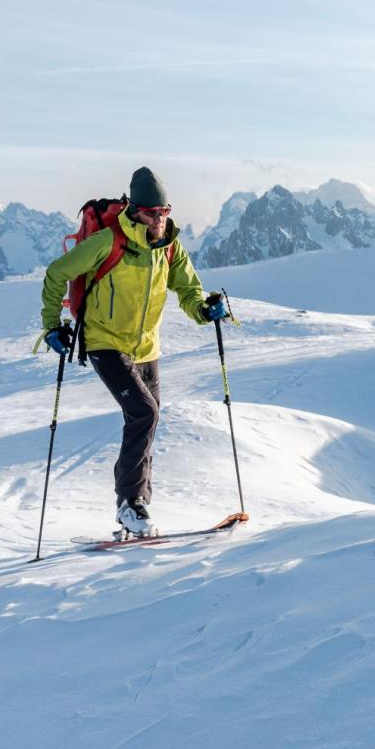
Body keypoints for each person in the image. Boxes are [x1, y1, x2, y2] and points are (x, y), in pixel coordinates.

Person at [39, 167, 228, 537]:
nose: (160, 219)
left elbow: (188, 290)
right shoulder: (108, 242)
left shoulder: (169, 246)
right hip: (104, 342)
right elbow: (56, 273)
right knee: (145, 412)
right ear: (135, 210)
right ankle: (130, 504)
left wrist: (204, 310)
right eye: (153, 213)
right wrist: (51, 324)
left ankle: (135, 505)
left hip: (146, 348)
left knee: (145, 421)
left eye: (165, 212)